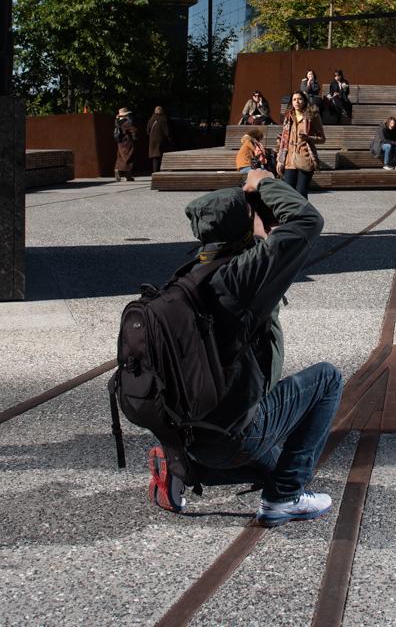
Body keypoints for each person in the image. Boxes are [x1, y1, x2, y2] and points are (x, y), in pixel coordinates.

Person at [146, 171, 342, 525]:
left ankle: (181, 466)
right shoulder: (243, 276)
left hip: (189, 434)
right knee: (327, 379)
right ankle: (284, 499)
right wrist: (264, 182)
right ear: (245, 225)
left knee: (274, 461)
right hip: (238, 434)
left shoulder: (189, 276)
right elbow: (307, 221)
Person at [276, 91, 325, 197]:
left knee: (301, 193)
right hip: (289, 159)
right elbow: (284, 139)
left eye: (299, 99)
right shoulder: (288, 116)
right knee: (289, 194)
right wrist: (280, 160)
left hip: (305, 157)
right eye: (294, 99)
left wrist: (309, 138)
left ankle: (303, 209)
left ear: (305, 101)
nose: (297, 102)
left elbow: (322, 138)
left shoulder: (312, 115)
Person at [114, 108, 139, 182]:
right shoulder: (126, 122)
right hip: (127, 142)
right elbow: (134, 130)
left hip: (120, 142)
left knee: (121, 157)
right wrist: (135, 136)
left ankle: (118, 169)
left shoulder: (117, 121)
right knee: (129, 157)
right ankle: (127, 175)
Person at [146, 106, 172, 173]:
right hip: (161, 140)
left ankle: (155, 171)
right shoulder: (163, 119)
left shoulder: (151, 119)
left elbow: (148, 131)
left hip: (152, 141)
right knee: (162, 155)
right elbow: (167, 132)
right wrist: (169, 138)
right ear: (162, 111)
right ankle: (162, 170)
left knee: (155, 157)